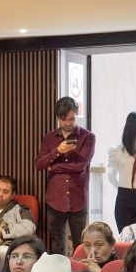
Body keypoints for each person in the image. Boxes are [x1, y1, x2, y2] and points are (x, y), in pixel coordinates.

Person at [35, 96, 95, 255]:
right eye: (64, 120)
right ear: (58, 118)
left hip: (78, 197)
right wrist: (57, 151)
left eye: (72, 119)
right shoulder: (50, 138)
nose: (68, 123)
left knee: (80, 243)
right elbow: (39, 164)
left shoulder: (87, 137)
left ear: (76, 115)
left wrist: (53, 166)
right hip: (55, 199)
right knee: (56, 242)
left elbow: (81, 165)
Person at [0, 176, 36, 272]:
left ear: (12, 195)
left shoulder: (20, 209)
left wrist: (2, 232)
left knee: (2, 252)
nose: (0, 194)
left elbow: (29, 228)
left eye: (5, 191)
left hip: (6, 246)